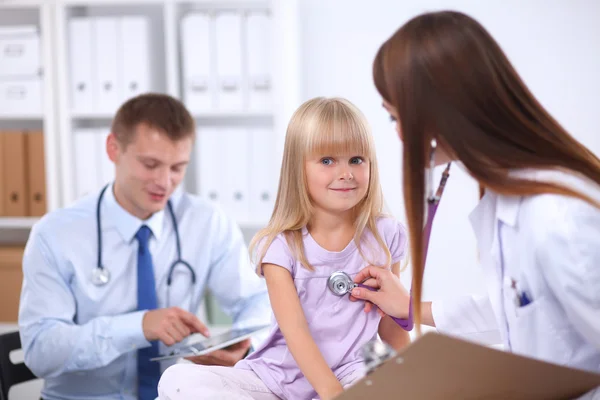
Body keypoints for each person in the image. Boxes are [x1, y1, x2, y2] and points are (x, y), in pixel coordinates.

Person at [349, 9, 600, 394]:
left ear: (443, 110)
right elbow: (515, 307)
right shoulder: (508, 198)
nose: (400, 136)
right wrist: (414, 308)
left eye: (398, 118)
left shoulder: (557, 218)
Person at [18, 93, 271, 400]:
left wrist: (246, 351)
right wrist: (138, 326)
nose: (164, 182)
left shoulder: (206, 222)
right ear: (114, 149)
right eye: (151, 165)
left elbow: (259, 303)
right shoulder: (55, 234)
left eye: (177, 167)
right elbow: (40, 350)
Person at [157, 97, 410, 400]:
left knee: (386, 387)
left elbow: (392, 323)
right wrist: (331, 394)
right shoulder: (280, 247)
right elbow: (297, 332)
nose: (346, 173)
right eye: (327, 160)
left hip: (351, 371)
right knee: (177, 379)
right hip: (279, 377)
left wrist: (415, 381)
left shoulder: (385, 236)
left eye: (357, 159)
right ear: (298, 169)